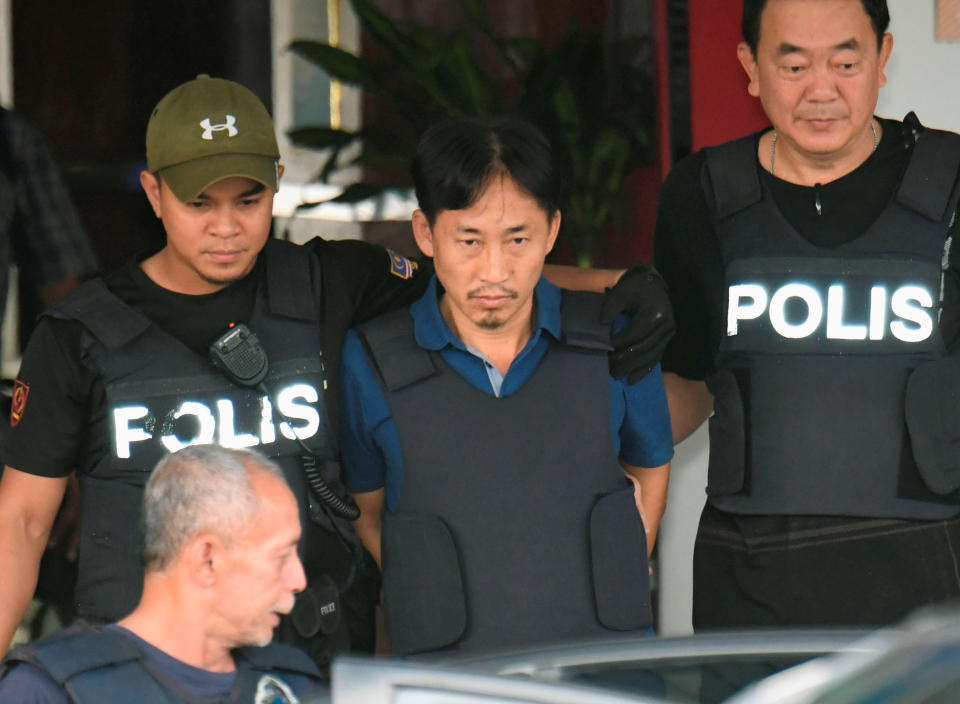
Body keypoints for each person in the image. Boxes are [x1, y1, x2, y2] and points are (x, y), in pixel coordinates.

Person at [0, 75, 674, 662]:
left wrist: (619, 285)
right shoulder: (79, 336)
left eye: (248, 199)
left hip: (303, 658)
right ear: (153, 193)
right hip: (141, 664)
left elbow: (477, 266)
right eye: (199, 203)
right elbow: (22, 524)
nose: (226, 227)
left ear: (277, 187)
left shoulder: (332, 282)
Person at [654, 0, 960, 629]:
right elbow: (683, 384)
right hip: (750, 586)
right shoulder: (702, 194)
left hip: (925, 589)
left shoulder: (953, 181)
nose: (821, 89)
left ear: (882, 60)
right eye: (793, 65)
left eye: (845, 61)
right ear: (751, 66)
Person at [339, 116, 674, 656]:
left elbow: (650, 468)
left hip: (601, 671)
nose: (493, 271)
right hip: (447, 679)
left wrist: (613, 578)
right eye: (468, 240)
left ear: (552, 232)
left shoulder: (613, 338)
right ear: (426, 233)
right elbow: (369, 515)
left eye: (518, 239)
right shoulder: (373, 359)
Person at [0, 445, 324, 703]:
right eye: (281, 557)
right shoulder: (48, 691)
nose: (298, 581)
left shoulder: (294, 684)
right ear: (207, 559)